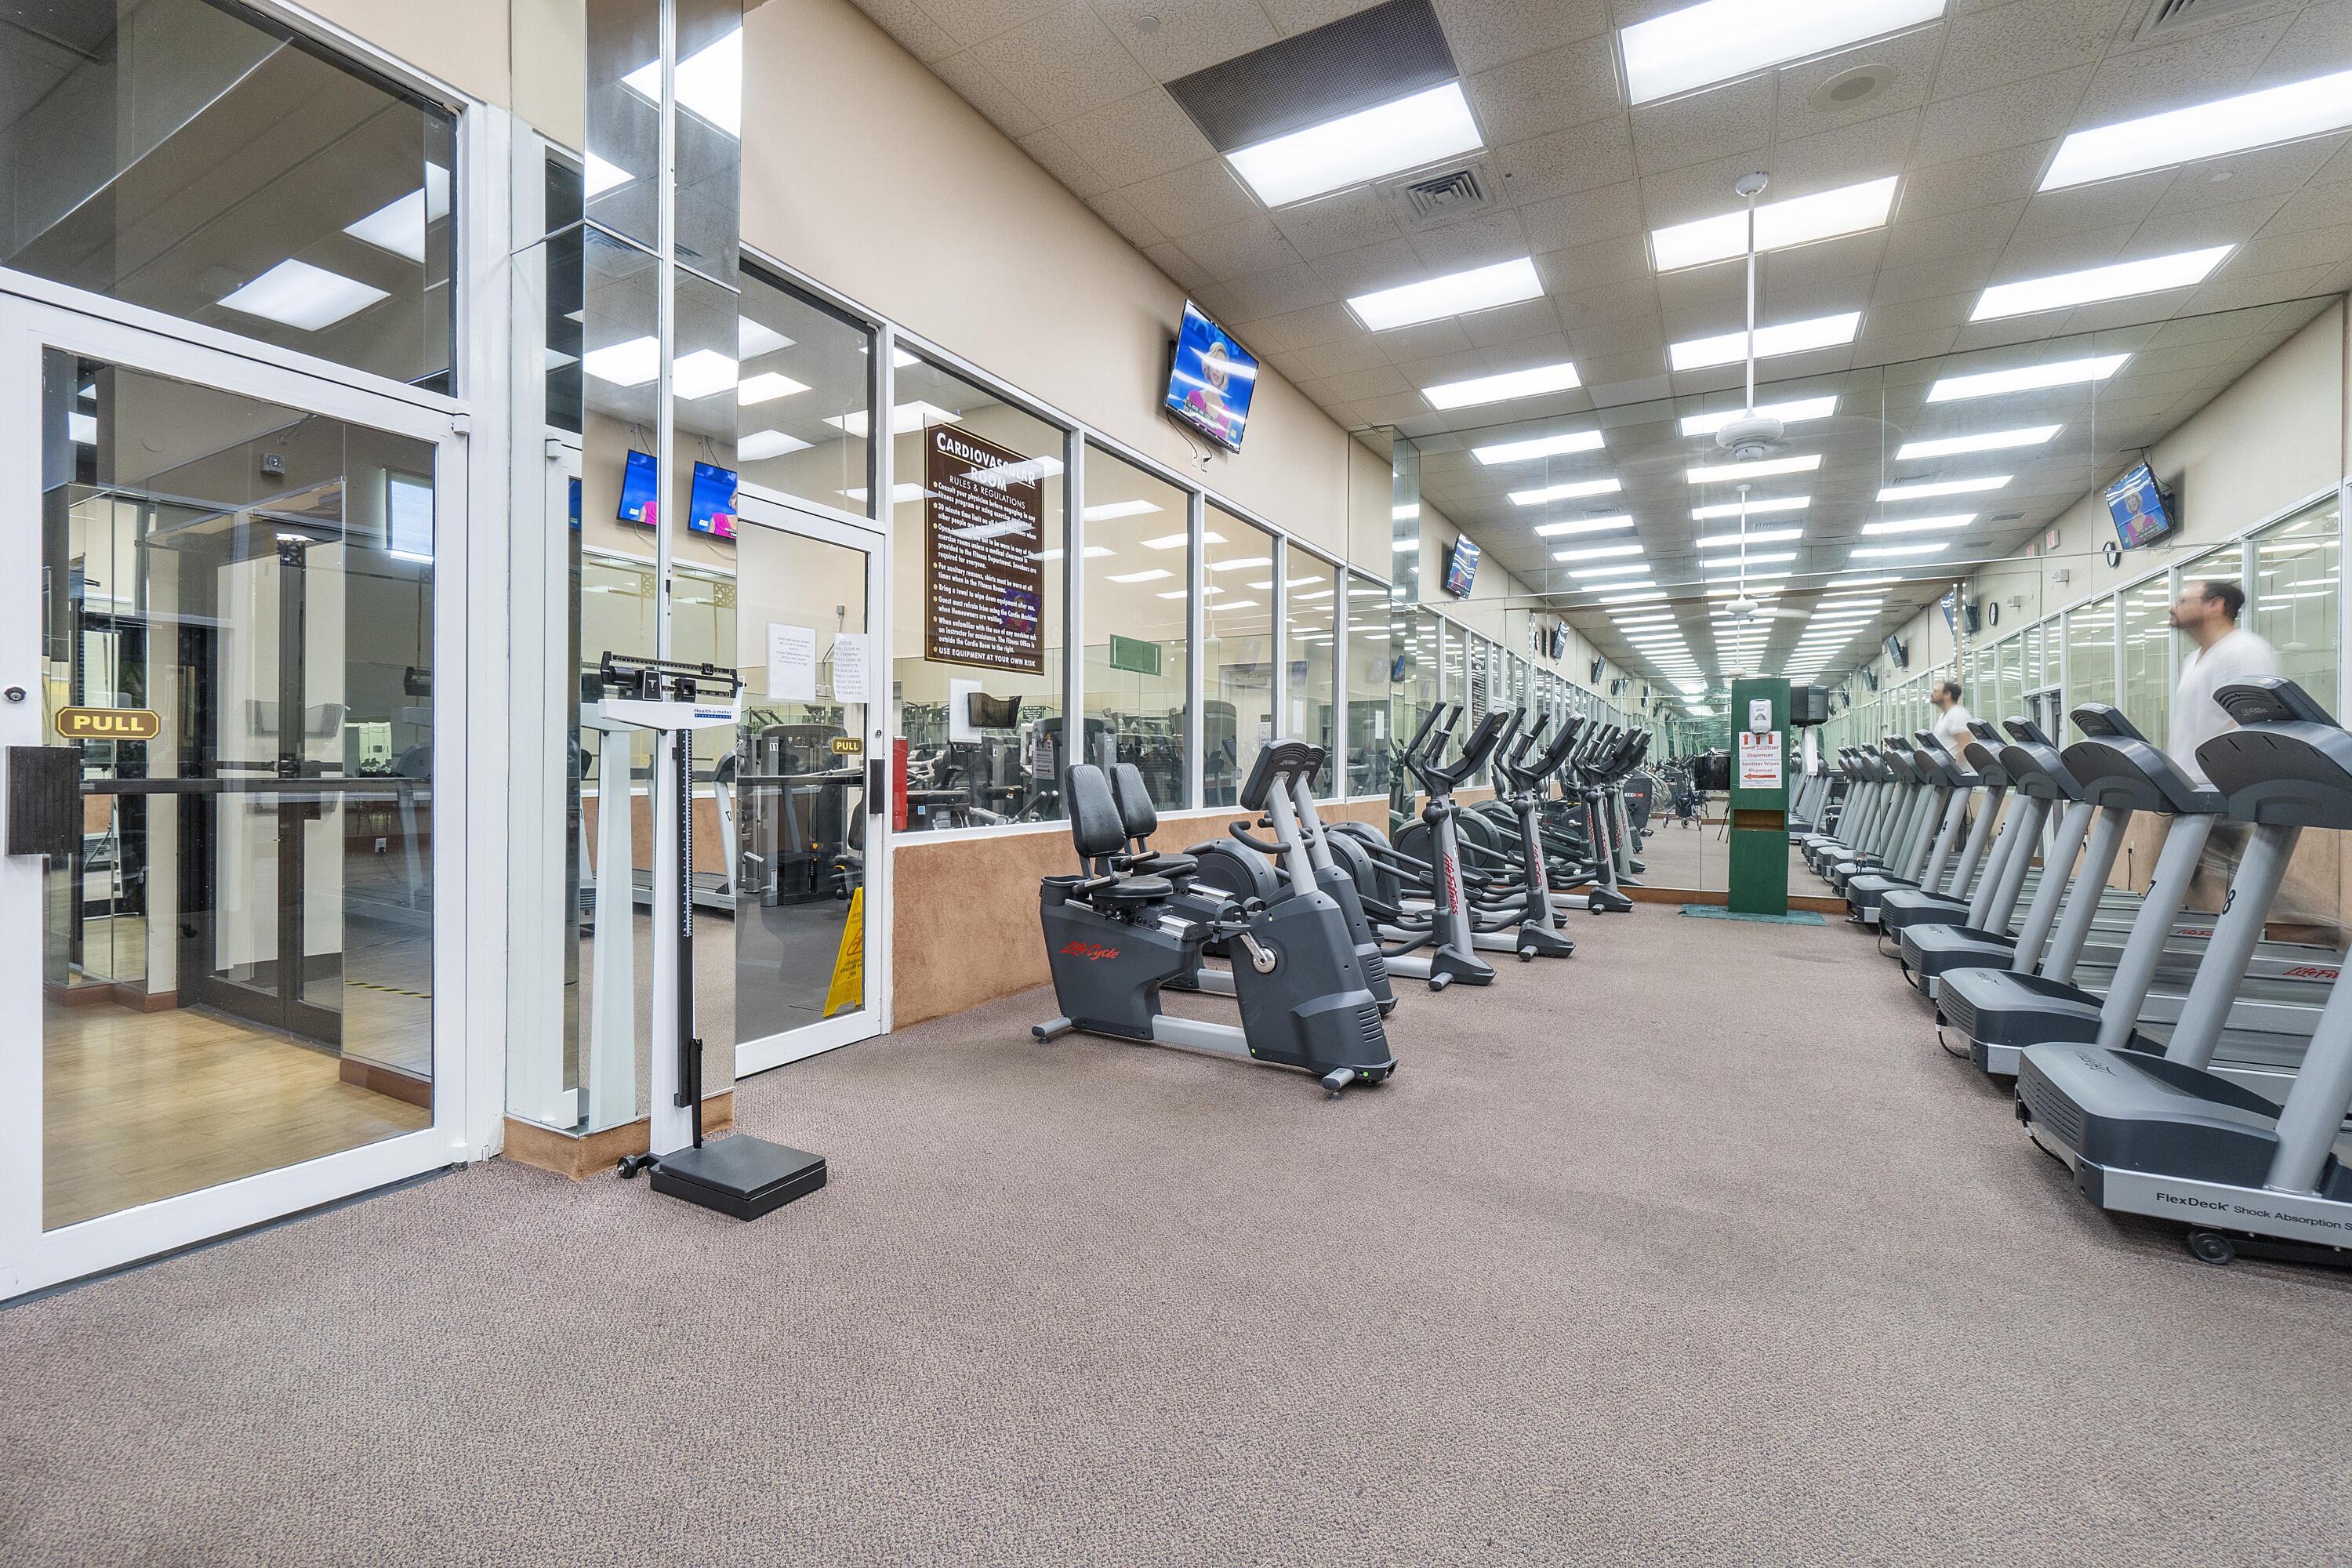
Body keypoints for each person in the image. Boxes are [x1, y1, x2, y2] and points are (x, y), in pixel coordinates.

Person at [2169, 579, 2279, 786]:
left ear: (2215, 605)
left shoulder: (2244, 650)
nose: (2173, 608)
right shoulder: (2192, 659)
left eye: (2183, 601)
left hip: (2224, 787)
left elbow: (2250, 724)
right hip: (2191, 785)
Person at [1929, 679, 1971, 753]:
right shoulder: (1943, 716)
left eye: (1936, 691)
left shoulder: (1957, 714)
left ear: (1947, 695)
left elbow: (1965, 747)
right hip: (1945, 763)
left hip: (1955, 764)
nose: (1932, 694)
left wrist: (1956, 764)